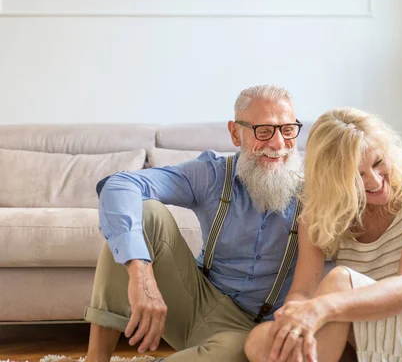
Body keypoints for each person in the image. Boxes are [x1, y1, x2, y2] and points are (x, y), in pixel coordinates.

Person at [66, 85, 306, 362]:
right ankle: (96, 359)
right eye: (263, 131)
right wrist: (141, 276)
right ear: (235, 132)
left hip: (254, 332)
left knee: (238, 352)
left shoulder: (316, 190)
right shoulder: (212, 174)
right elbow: (121, 185)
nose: (277, 144)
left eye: (288, 130)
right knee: (147, 214)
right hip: (195, 303)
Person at [245, 107, 402, 362]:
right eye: (357, 176)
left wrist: (322, 308)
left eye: (379, 163)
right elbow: (302, 292)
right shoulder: (318, 214)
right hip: (366, 330)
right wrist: (295, 321)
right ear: (333, 180)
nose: (376, 181)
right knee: (260, 339)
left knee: (339, 281)